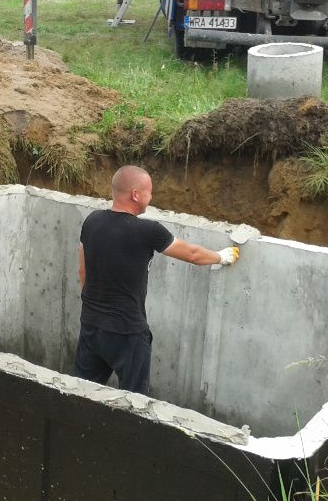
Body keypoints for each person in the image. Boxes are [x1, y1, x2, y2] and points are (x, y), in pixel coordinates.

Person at [74, 165, 240, 395]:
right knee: (134, 404)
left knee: (80, 394)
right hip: (127, 333)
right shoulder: (148, 230)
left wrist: (93, 308)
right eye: (149, 192)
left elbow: (83, 272)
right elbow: (192, 254)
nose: (151, 198)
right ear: (135, 194)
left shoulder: (91, 221)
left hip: (91, 325)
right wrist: (221, 257)